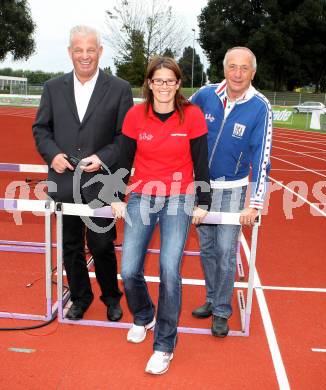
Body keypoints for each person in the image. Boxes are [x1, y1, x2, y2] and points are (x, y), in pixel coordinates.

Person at [111, 56, 210, 375]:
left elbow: (201, 161)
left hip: (180, 197)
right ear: (149, 83)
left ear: (179, 84)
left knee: (169, 269)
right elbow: (125, 158)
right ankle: (143, 316)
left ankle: (165, 345)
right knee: (128, 270)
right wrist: (115, 195)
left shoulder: (192, 116)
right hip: (142, 193)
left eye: (171, 81)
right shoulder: (135, 115)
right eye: (158, 81)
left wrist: (203, 200)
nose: (164, 87)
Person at [33, 25, 133, 321]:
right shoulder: (53, 88)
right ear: (70, 53)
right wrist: (53, 156)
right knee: (70, 244)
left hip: (102, 182)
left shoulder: (119, 89)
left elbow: (125, 138)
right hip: (64, 181)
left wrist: (102, 158)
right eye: (79, 50)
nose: (85, 56)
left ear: (100, 52)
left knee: (102, 244)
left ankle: (111, 297)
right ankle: (79, 296)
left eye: (91, 49)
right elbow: (41, 128)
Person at [190, 47, 272, 337]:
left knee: (226, 251)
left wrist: (256, 202)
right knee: (208, 249)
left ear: (253, 72)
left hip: (234, 191)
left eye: (244, 68)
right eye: (232, 67)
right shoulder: (204, 95)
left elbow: (262, 156)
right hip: (200, 188)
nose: (238, 73)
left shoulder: (260, 106)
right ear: (224, 69)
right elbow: (180, 124)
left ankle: (223, 310)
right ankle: (212, 300)